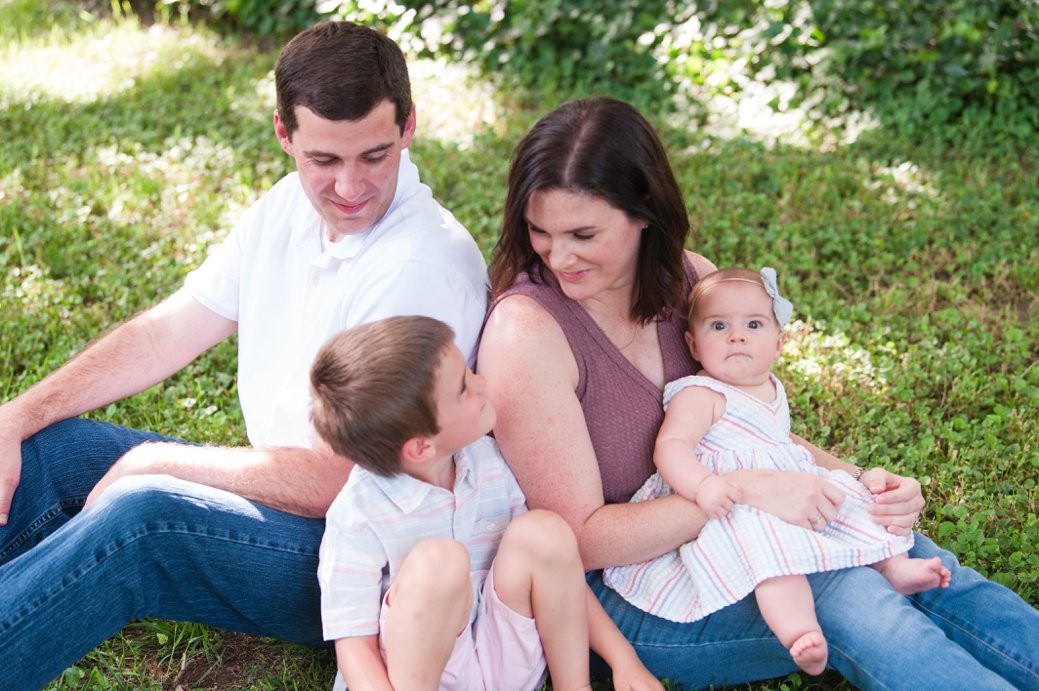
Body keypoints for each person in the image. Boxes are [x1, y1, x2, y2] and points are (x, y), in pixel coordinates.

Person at [476, 95, 1039, 689]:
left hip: (737, 532)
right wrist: (748, 492)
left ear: (645, 212)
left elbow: (749, 431)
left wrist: (858, 479)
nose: (558, 256)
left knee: (922, 563)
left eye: (582, 233)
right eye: (539, 231)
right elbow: (580, 542)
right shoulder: (528, 333)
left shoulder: (691, 281)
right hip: (627, 596)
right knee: (849, 593)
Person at [0, 21, 487, 689]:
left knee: (144, 520)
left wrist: (154, 460)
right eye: (324, 160)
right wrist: (17, 414)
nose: (349, 186)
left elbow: (336, 481)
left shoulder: (418, 267)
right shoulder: (286, 207)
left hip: (362, 555)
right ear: (284, 135)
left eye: (374, 156)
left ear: (407, 127)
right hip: (293, 496)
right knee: (51, 449)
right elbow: (165, 331)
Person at [602, 266, 951, 676]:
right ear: (693, 345)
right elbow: (671, 448)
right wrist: (704, 486)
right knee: (771, 554)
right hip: (738, 506)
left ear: (779, 342)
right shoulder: (701, 393)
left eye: (753, 324)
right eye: (719, 326)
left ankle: (891, 566)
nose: (737, 335)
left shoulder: (771, 389)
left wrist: (857, 477)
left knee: (851, 505)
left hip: (787, 488)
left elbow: (779, 444)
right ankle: (798, 630)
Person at [309, 315, 662, 691]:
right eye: (464, 387)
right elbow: (354, 645)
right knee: (439, 563)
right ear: (421, 446)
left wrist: (624, 660)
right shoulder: (359, 511)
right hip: (421, 674)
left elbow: (559, 573)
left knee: (545, 531)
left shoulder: (486, 460)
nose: (482, 382)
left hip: (502, 662)